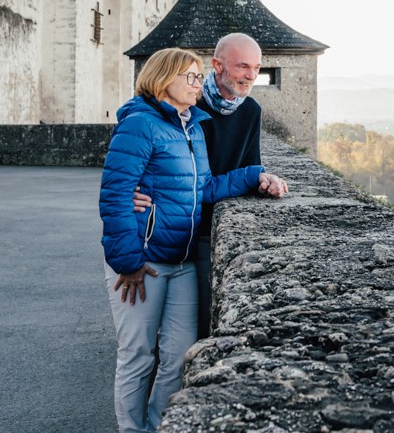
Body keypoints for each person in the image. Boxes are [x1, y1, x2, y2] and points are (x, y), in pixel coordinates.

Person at [98, 46, 283, 433]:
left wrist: (254, 176)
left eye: (200, 77)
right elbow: (115, 195)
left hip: (181, 262)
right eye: (191, 77)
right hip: (143, 261)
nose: (199, 85)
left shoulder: (193, 126)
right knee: (137, 355)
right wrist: (127, 262)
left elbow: (205, 187)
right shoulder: (139, 124)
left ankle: (158, 427)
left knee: (179, 357)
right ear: (164, 77)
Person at [132, 32, 283, 337]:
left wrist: (262, 178)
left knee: (193, 328)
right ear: (217, 65)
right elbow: (146, 148)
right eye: (243, 66)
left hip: (208, 226)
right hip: (168, 225)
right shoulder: (187, 101)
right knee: (147, 334)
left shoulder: (250, 110)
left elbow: (247, 165)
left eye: (257, 67)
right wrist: (131, 190)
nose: (251, 75)